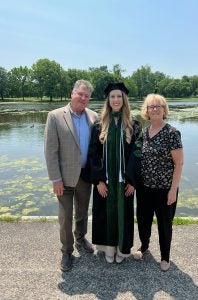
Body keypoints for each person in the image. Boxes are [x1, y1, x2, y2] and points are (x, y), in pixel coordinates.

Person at [44, 79, 98, 272]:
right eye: (80, 94)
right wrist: (55, 178)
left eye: (87, 96)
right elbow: (50, 150)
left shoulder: (94, 117)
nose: (83, 98)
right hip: (64, 177)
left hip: (85, 176)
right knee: (65, 216)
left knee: (82, 212)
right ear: (72, 93)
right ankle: (66, 251)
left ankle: (80, 238)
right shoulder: (55, 116)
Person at [87, 82, 142, 263]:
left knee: (123, 214)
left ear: (124, 100)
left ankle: (122, 249)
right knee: (105, 213)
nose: (116, 100)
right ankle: (108, 248)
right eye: (112, 97)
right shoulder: (99, 125)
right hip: (106, 181)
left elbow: (137, 155)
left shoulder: (133, 126)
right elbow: (93, 154)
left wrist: (133, 181)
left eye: (119, 96)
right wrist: (98, 181)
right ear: (108, 100)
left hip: (124, 182)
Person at [134, 93, 184, 272]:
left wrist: (173, 190)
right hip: (145, 188)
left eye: (158, 106)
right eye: (151, 107)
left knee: (164, 224)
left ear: (164, 110)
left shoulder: (172, 133)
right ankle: (144, 246)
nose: (154, 109)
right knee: (143, 220)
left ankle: (165, 256)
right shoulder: (144, 132)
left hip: (165, 189)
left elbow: (179, 163)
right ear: (146, 111)